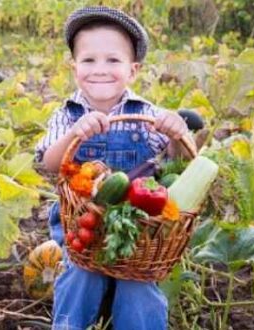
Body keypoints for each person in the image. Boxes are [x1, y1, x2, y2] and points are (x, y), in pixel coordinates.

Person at [34, 6, 196, 330]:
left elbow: (178, 165)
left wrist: (178, 133)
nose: (100, 70)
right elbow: (47, 164)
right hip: (81, 224)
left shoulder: (147, 114)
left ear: (133, 70)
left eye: (113, 60)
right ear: (74, 67)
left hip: (137, 231)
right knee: (79, 277)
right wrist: (74, 134)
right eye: (89, 60)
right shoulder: (67, 114)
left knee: (139, 289)